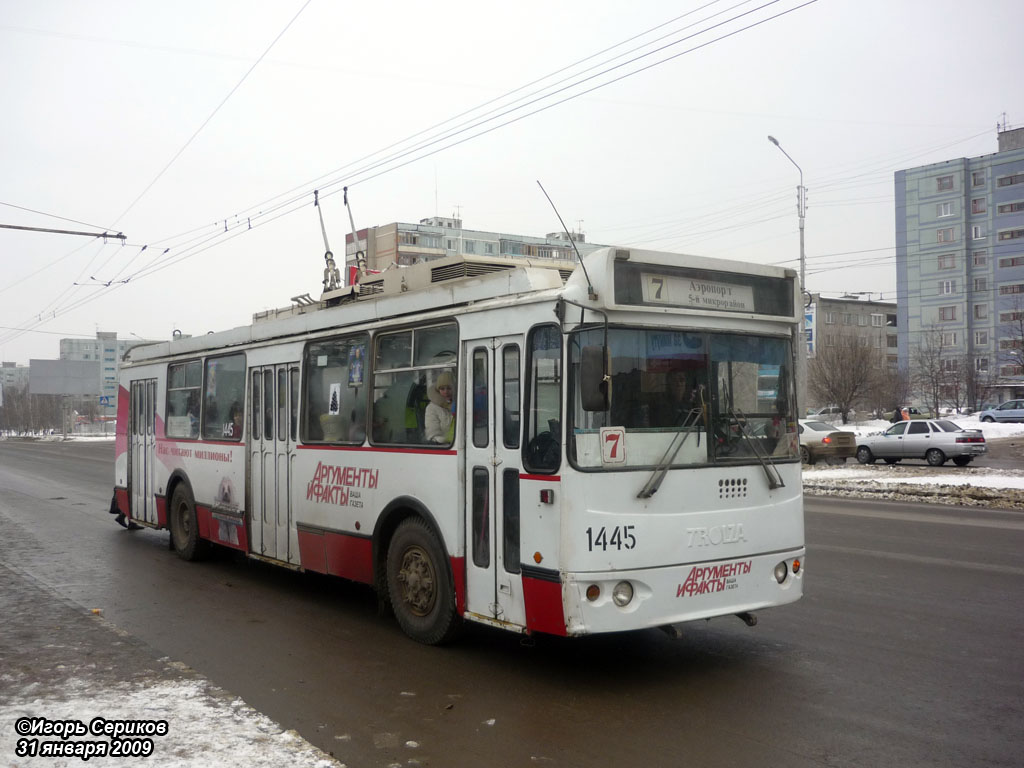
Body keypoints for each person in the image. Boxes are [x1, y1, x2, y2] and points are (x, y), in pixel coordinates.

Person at [425, 371, 455, 443]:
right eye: (442, 389)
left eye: (449, 388)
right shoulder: (432, 408)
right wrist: (449, 442)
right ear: (438, 390)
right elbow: (433, 434)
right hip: (445, 447)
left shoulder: (461, 404)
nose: (446, 391)